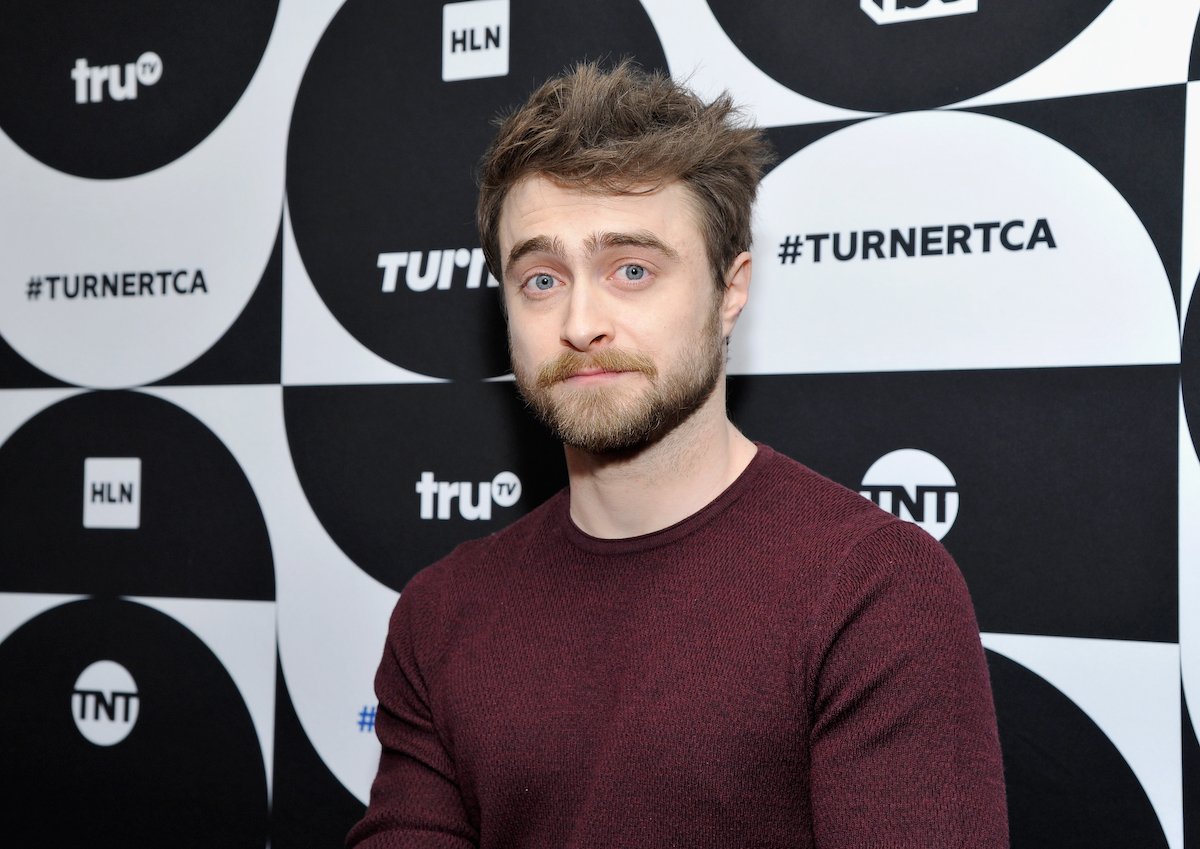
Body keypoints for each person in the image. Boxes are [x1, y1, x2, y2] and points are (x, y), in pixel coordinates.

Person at [347, 60, 1008, 848]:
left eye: (632, 269)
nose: (580, 320)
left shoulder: (873, 589)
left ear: (730, 291)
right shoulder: (441, 612)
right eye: (540, 277)